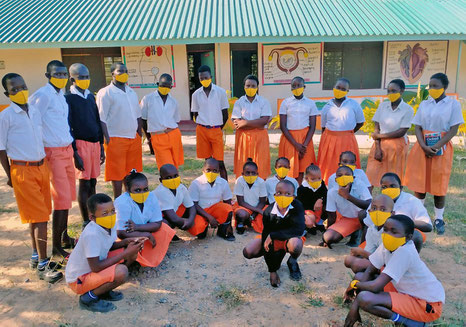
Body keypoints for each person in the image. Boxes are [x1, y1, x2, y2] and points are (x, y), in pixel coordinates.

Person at [0, 73, 62, 283]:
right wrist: (10, 175)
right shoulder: (6, 116)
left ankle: (36, 255)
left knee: (37, 214)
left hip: (41, 166)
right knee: (40, 217)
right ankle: (44, 265)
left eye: (22, 86)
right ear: (7, 93)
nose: (20, 91)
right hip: (22, 170)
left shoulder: (34, 111)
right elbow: (1, 149)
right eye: (14, 89)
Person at [344, 215, 444, 327]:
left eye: (394, 232)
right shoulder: (387, 245)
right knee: (360, 277)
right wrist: (356, 293)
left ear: (408, 237)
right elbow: (369, 271)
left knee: (365, 298)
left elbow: (375, 287)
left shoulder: (405, 252)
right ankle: (403, 314)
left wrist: (355, 287)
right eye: (385, 230)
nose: (387, 235)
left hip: (426, 304)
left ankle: (408, 322)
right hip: (404, 291)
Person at [65, 193, 146, 313]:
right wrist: (126, 253)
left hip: (92, 270)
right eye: (105, 213)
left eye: (112, 211)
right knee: (121, 271)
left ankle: (103, 290)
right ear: (92, 217)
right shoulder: (92, 234)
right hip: (78, 280)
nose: (111, 215)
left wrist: (127, 242)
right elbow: (96, 267)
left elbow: (109, 245)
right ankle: (88, 298)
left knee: (128, 251)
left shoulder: (109, 225)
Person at [404, 73, 464, 235]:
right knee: (420, 182)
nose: (432, 89)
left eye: (435, 86)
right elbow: (417, 126)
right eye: (430, 86)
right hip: (422, 146)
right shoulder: (424, 104)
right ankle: (419, 214)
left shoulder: (453, 105)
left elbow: (453, 129)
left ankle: (438, 218)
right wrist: (423, 146)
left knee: (439, 184)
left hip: (441, 147)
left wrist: (437, 146)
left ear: (444, 87)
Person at [29, 60, 75, 257]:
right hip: (52, 152)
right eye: (58, 74)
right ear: (48, 75)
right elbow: (33, 124)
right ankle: (56, 247)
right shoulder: (42, 96)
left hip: (67, 150)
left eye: (64, 74)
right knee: (61, 199)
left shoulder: (60, 96)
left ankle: (64, 237)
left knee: (68, 197)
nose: (62, 77)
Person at [243, 180, 305, 287]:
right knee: (248, 251)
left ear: (293, 196)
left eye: (287, 194)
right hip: (272, 240)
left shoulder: (297, 206)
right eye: (279, 193)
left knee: (296, 244)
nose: (283, 196)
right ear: (275, 195)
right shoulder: (268, 211)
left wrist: (273, 235)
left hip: (289, 238)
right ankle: (276, 262)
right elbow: (266, 238)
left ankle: (292, 260)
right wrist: (272, 270)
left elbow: (299, 230)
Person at [65, 63, 105, 228]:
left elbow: (96, 120)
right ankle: (85, 220)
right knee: (84, 183)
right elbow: (69, 126)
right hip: (81, 145)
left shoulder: (90, 97)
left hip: (95, 143)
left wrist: (101, 145)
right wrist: (75, 153)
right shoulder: (68, 99)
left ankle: (94, 214)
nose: (85, 80)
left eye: (87, 76)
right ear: (72, 79)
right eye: (81, 77)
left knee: (93, 182)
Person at [96, 62, 142, 198]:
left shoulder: (131, 92)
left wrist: (139, 134)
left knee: (132, 173)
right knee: (117, 174)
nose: (124, 74)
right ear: (112, 74)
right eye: (120, 71)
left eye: (126, 71)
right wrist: (107, 139)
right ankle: (118, 201)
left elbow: (138, 114)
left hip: (133, 138)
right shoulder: (105, 92)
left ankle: (130, 200)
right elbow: (101, 118)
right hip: (115, 138)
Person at [114, 171, 175, 267]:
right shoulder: (122, 202)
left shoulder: (151, 196)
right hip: (128, 236)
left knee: (164, 227)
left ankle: (150, 257)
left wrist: (137, 227)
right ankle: (135, 261)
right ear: (128, 190)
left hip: (140, 230)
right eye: (137, 190)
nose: (142, 193)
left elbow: (157, 223)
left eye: (145, 189)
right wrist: (145, 234)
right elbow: (121, 233)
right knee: (132, 243)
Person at [366, 79, 414, 187]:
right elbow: (376, 126)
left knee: (393, 177)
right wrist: (378, 147)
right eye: (389, 91)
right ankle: (368, 201)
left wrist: (379, 136)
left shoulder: (408, 109)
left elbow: (401, 131)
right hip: (379, 143)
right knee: (371, 175)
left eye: (394, 91)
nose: (390, 94)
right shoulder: (383, 106)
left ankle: (391, 201)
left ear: (402, 91)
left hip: (397, 145)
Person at [318, 78, 365, 183]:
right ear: (334, 88)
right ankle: (328, 183)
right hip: (329, 140)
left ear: (348, 91)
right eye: (338, 87)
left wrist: (347, 133)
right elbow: (323, 127)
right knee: (329, 164)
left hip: (347, 140)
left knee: (348, 164)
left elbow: (360, 122)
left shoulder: (354, 104)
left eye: (343, 89)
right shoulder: (327, 106)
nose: (340, 90)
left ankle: (349, 184)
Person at [190, 65, 229, 180]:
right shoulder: (196, 94)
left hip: (216, 129)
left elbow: (225, 114)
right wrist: (204, 124)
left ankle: (225, 191)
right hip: (202, 130)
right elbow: (195, 114)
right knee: (208, 163)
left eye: (206, 78)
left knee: (220, 162)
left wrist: (217, 127)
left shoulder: (220, 92)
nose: (204, 80)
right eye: (201, 78)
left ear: (211, 77)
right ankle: (208, 188)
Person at [279, 76, 319, 184]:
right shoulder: (285, 103)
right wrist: (296, 145)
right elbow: (283, 126)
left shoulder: (310, 103)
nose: (296, 88)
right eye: (294, 86)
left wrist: (304, 146)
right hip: (290, 139)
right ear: (291, 88)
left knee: (302, 167)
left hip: (305, 138)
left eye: (299, 85)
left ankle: (299, 189)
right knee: (290, 166)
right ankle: (289, 189)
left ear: (304, 87)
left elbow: (313, 126)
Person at [232, 75, 272, 179]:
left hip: (260, 138)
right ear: (244, 87)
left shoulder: (264, 102)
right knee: (243, 164)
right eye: (248, 85)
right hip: (243, 138)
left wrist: (244, 123)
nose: (250, 88)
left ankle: (261, 192)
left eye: (253, 86)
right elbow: (237, 123)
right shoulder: (239, 102)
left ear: (257, 87)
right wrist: (256, 123)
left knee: (260, 165)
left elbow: (264, 121)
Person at [322, 165, 372, 248]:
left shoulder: (359, 185)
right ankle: (353, 231)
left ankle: (359, 236)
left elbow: (369, 205)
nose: (343, 177)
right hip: (348, 219)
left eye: (347, 175)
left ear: (353, 178)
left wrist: (347, 196)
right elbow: (331, 217)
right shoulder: (332, 192)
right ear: (335, 179)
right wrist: (327, 233)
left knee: (362, 214)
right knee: (328, 237)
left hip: (363, 217)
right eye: (340, 175)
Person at [141, 73, 184, 169]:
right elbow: (143, 120)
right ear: (158, 84)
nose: (164, 88)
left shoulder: (174, 102)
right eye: (162, 85)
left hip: (174, 135)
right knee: (166, 166)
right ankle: (167, 183)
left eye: (167, 86)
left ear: (171, 87)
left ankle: (175, 183)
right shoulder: (148, 99)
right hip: (158, 136)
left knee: (174, 165)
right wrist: (149, 139)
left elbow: (176, 120)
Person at [155, 164, 209, 239]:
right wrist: (185, 223)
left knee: (201, 231)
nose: (173, 179)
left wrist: (190, 220)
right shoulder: (161, 192)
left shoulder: (181, 188)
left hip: (173, 215)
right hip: (158, 219)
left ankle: (171, 233)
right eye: (168, 177)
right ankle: (168, 236)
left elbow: (191, 206)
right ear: (161, 180)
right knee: (164, 225)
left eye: (175, 176)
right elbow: (172, 218)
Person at [344, 194, 394, 273]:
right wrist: (361, 254)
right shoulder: (371, 229)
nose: (377, 212)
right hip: (376, 260)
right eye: (374, 208)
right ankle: (370, 274)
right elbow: (369, 252)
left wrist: (361, 252)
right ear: (369, 211)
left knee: (358, 265)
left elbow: (384, 260)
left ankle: (374, 275)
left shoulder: (392, 233)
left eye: (383, 209)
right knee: (348, 260)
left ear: (392, 214)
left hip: (390, 265)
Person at [188, 158, 235, 241]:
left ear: (218, 171)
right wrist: (209, 217)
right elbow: (193, 204)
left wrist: (229, 225)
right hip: (200, 212)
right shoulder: (196, 183)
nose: (211, 173)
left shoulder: (223, 183)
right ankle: (204, 226)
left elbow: (228, 202)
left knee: (227, 208)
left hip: (214, 209)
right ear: (203, 170)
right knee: (200, 234)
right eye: (208, 170)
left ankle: (222, 231)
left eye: (215, 170)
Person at [233, 159, 267, 234]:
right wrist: (257, 211)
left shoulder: (261, 182)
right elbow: (241, 202)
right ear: (242, 173)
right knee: (241, 214)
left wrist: (253, 216)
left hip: (258, 207)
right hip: (244, 207)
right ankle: (241, 223)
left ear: (257, 174)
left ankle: (249, 221)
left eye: (253, 173)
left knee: (267, 215)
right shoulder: (240, 181)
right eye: (247, 173)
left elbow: (262, 202)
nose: (250, 175)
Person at [297, 164, 327, 233]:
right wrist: (312, 209)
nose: (317, 181)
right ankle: (308, 228)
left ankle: (319, 223)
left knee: (328, 207)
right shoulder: (302, 189)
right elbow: (300, 204)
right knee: (311, 217)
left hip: (319, 209)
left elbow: (326, 194)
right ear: (307, 179)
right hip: (308, 209)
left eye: (319, 178)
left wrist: (321, 200)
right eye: (313, 179)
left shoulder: (321, 184)